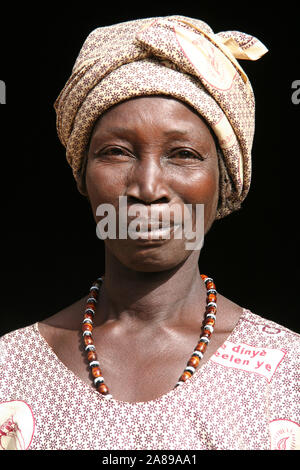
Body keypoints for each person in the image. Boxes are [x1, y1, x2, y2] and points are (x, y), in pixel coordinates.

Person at [0, 15, 299, 451]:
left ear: (226, 182)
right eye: (117, 152)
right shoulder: (11, 369)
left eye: (183, 154)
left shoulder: (286, 372)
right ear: (83, 175)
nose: (148, 187)